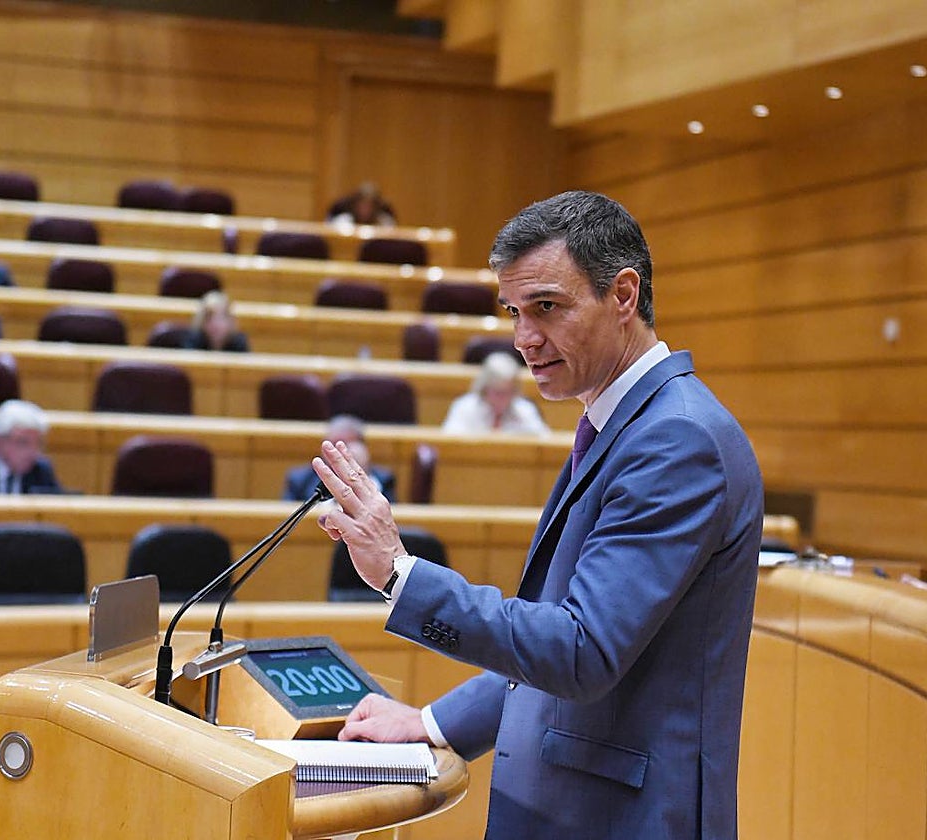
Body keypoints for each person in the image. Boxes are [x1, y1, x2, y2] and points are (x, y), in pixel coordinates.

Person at [311, 191, 763, 839]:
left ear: (624, 295)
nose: (524, 339)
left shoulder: (676, 439)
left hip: (624, 820)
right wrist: (435, 724)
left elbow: (582, 649)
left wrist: (399, 574)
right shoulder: (623, 424)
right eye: (514, 312)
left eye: (546, 307)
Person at [283, 415, 395, 504]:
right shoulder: (299, 480)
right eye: (332, 444)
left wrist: (364, 473)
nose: (337, 452)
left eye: (345, 445)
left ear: (363, 448)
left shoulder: (383, 479)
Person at [441, 351, 550, 435]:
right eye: (497, 392)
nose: (502, 398)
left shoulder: (524, 411)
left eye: (508, 392)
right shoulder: (464, 407)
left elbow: (545, 445)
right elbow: (449, 445)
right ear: (484, 388)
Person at [181, 291, 249, 352]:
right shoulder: (193, 340)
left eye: (221, 318)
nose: (216, 324)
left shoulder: (239, 342)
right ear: (202, 321)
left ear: (230, 320)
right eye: (209, 318)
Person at [327, 181, 396, 227]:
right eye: (362, 205)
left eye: (369, 206)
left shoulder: (385, 224)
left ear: (376, 208)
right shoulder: (342, 223)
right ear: (354, 206)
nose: (365, 210)